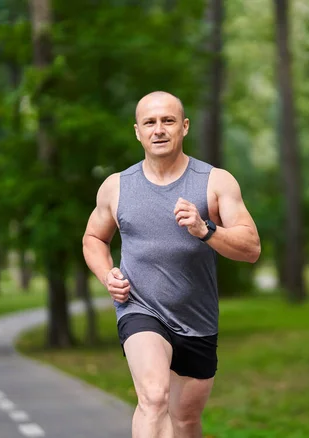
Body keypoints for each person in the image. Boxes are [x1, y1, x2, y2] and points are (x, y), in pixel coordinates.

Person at [82, 91, 261, 438]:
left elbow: (251, 248)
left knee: (185, 421)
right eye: (150, 122)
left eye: (168, 121)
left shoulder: (214, 182)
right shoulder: (116, 187)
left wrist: (204, 229)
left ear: (184, 127)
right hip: (140, 308)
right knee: (152, 397)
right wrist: (107, 276)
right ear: (138, 131)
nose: (159, 130)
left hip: (197, 320)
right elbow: (93, 239)